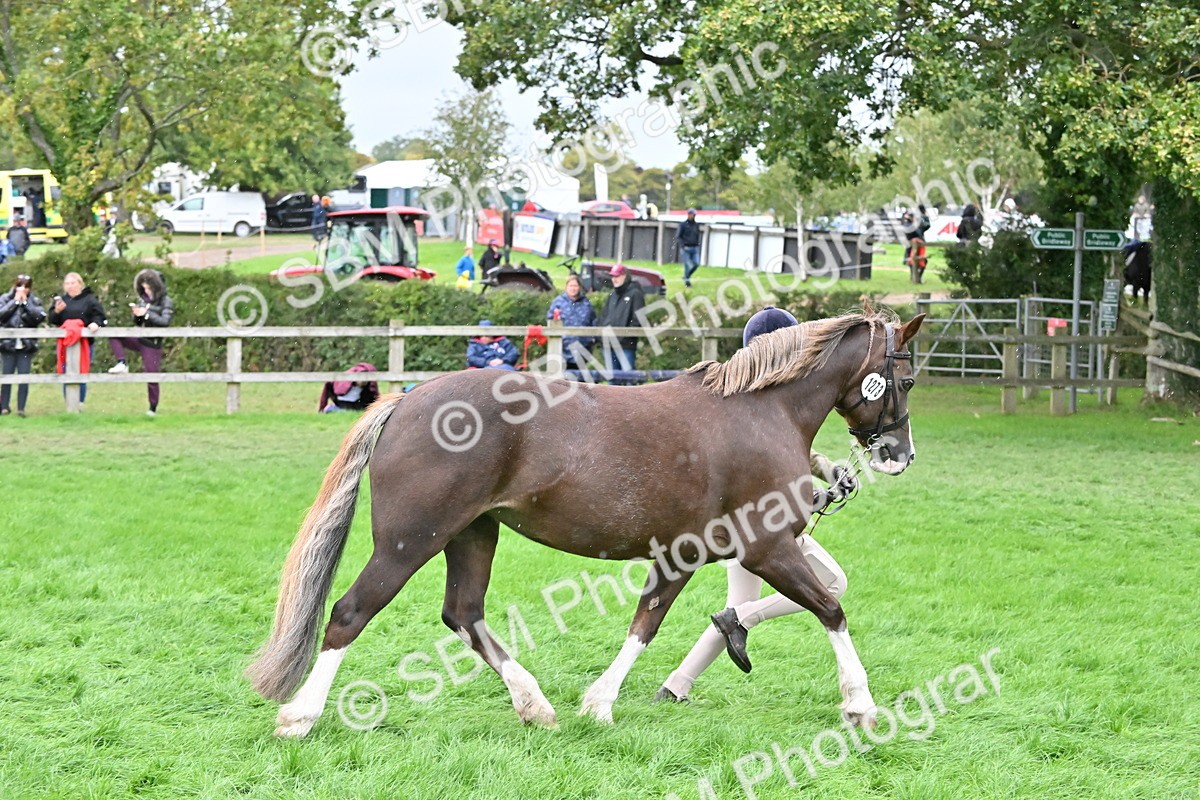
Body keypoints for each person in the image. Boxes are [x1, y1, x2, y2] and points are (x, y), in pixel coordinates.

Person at [655, 307, 858, 702]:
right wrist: (817, 497)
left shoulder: (756, 398)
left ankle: (675, 686)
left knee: (739, 602)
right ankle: (742, 620)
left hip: (738, 525)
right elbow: (770, 483)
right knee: (833, 584)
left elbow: (798, 459)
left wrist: (830, 472)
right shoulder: (762, 407)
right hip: (757, 528)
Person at [106, 269, 173, 416]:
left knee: (152, 375)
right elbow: (138, 322)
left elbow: (165, 322)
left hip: (152, 342)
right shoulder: (143, 299)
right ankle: (122, 362)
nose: (146, 291)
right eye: (144, 288)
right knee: (114, 334)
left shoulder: (166, 301)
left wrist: (147, 314)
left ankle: (153, 407)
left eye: (149, 288)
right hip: (139, 337)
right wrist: (137, 315)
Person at [48, 272, 107, 407]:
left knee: (81, 371)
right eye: (67, 283)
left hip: (84, 343)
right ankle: (69, 403)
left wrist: (95, 324)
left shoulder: (90, 299)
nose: (70, 286)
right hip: (65, 343)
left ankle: (79, 402)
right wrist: (57, 311)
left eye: (73, 283)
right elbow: (52, 320)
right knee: (65, 371)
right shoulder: (61, 301)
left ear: (80, 284)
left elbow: (100, 316)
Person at [0, 274, 46, 417]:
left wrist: (26, 304)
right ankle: (4, 407)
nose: (22, 289)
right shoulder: (5, 299)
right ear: (15, 285)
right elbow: (1, 315)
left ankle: (21, 408)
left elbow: (38, 317)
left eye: (26, 286)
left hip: (26, 346)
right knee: (6, 377)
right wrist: (14, 302)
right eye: (20, 285)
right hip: (8, 345)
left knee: (24, 377)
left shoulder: (35, 301)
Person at [598, 264, 645, 379]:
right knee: (612, 382)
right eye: (613, 276)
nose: (614, 279)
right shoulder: (612, 295)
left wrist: (624, 337)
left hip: (626, 345)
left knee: (629, 380)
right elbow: (604, 317)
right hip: (609, 344)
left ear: (625, 276)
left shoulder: (635, 294)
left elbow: (638, 319)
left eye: (617, 276)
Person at [546, 273, 597, 369]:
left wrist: (593, 338)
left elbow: (593, 321)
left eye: (575, 286)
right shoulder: (558, 302)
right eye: (571, 286)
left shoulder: (586, 303)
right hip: (563, 349)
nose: (573, 288)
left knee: (580, 380)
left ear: (579, 287)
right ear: (566, 287)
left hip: (582, 348)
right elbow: (550, 320)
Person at [676, 208, 702, 288]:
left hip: (694, 248)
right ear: (689, 214)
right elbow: (678, 236)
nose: (693, 216)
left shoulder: (696, 225)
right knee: (687, 264)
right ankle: (687, 282)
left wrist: (697, 244)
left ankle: (686, 276)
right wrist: (683, 246)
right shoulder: (683, 225)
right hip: (686, 248)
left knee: (696, 264)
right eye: (692, 214)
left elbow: (697, 235)